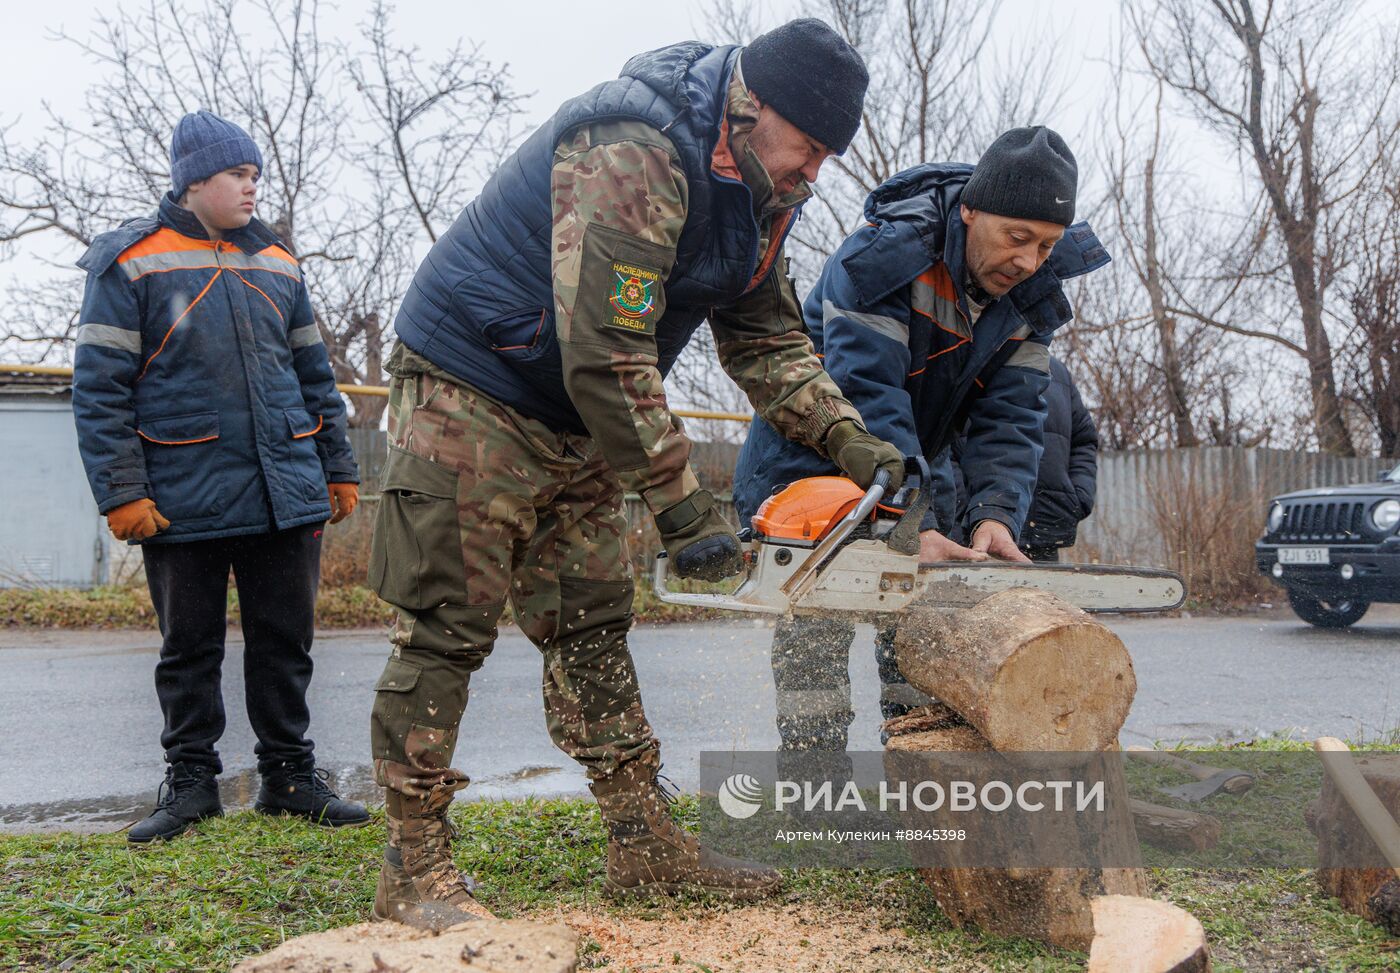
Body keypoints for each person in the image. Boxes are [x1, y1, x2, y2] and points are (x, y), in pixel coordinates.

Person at [367, 20, 904, 924]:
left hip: (582, 407)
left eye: (825, 158)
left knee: (591, 618)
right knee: (447, 623)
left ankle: (642, 841)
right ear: (754, 106)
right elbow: (607, 345)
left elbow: (767, 337)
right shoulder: (635, 147)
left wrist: (849, 439)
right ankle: (412, 867)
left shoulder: (765, 190)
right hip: (475, 384)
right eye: (808, 148)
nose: (814, 173)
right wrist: (683, 508)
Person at [732, 127, 1111, 753]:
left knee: (917, 628)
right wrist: (911, 521)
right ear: (970, 209)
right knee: (816, 637)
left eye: (1045, 246)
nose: (1028, 261)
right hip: (814, 458)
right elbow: (867, 395)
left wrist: (994, 516)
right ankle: (815, 790)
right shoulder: (887, 256)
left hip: (913, 466)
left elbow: (1012, 420)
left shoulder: (1029, 298)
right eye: (1017, 238)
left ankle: (917, 776)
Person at [71, 110, 368, 843]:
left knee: (285, 643)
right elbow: (99, 388)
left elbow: (314, 374)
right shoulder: (131, 262)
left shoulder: (278, 261)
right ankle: (192, 782)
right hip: (181, 495)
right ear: (194, 179)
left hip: (284, 489)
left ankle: (290, 777)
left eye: (256, 175)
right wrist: (122, 491)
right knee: (189, 650)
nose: (251, 187)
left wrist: (337, 466)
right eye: (238, 174)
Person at [1010, 355, 1099, 561]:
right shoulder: (970, 358)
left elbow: (1084, 440)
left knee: (1044, 594)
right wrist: (960, 509)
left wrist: (1079, 496)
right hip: (977, 536)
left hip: (1045, 531)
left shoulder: (1057, 372)